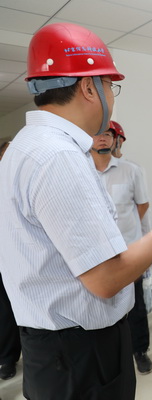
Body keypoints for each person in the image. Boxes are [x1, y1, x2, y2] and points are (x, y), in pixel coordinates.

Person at [0, 23, 152, 399]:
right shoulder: (59, 157)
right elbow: (106, 278)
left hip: (53, 352)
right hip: (80, 355)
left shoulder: (24, 146)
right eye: (110, 86)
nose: (111, 97)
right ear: (88, 87)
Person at [91, 121, 152, 374]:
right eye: (97, 134)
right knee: (102, 304)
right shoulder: (82, 171)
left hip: (128, 250)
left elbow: (142, 205)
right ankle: (109, 355)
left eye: (107, 134)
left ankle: (140, 351)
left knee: (136, 305)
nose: (102, 138)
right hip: (97, 253)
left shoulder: (130, 170)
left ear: (114, 139)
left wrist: (129, 234)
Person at [0, 140, 21, 381]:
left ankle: (12, 355)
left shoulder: (23, 180)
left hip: (20, 258)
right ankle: (7, 358)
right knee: (5, 311)